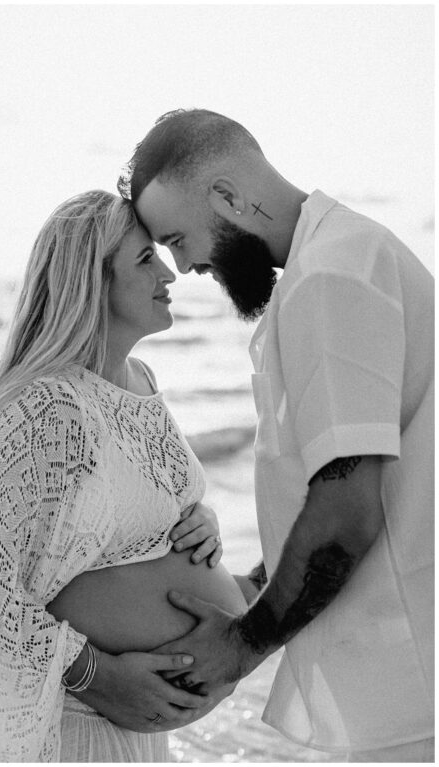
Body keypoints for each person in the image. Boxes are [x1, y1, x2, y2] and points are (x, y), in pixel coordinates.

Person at [120, 108, 434, 761]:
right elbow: (330, 484)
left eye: (178, 238)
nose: (183, 266)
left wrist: (241, 644)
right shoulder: (336, 260)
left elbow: (346, 507)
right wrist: (256, 582)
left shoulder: (330, 275)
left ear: (230, 196)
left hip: (409, 676)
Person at [0, 190, 258, 762]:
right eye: (143, 260)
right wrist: (93, 674)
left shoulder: (140, 377)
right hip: (76, 728)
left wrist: (197, 522)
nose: (168, 272)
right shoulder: (46, 408)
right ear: (92, 285)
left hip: (142, 735)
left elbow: (121, 513)